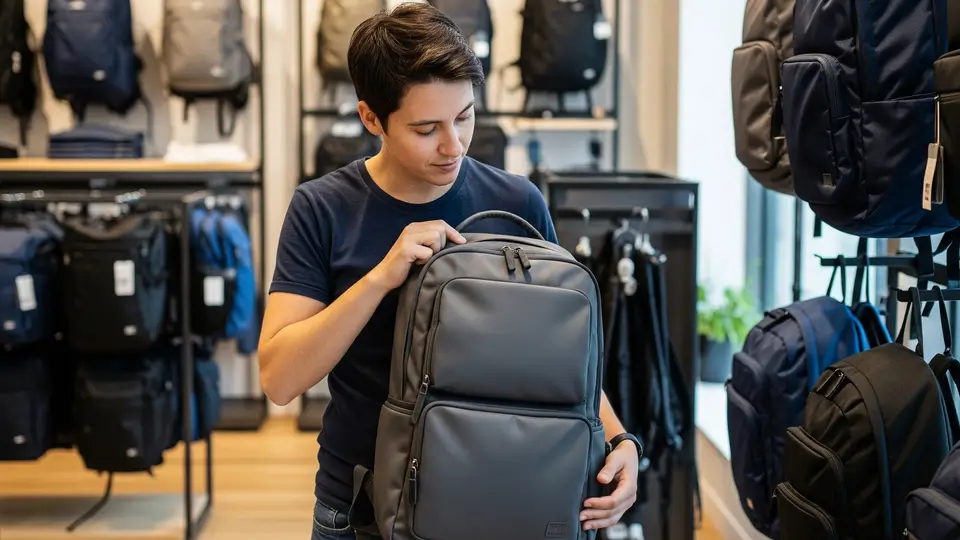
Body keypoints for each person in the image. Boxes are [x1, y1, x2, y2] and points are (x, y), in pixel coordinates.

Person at [258, 3, 640, 539]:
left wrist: (621, 441)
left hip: (505, 495)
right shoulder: (323, 208)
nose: (454, 145)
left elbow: (565, 362)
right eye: (426, 128)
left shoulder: (517, 203)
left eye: (464, 117)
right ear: (371, 118)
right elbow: (279, 378)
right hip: (363, 508)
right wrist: (379, 279)